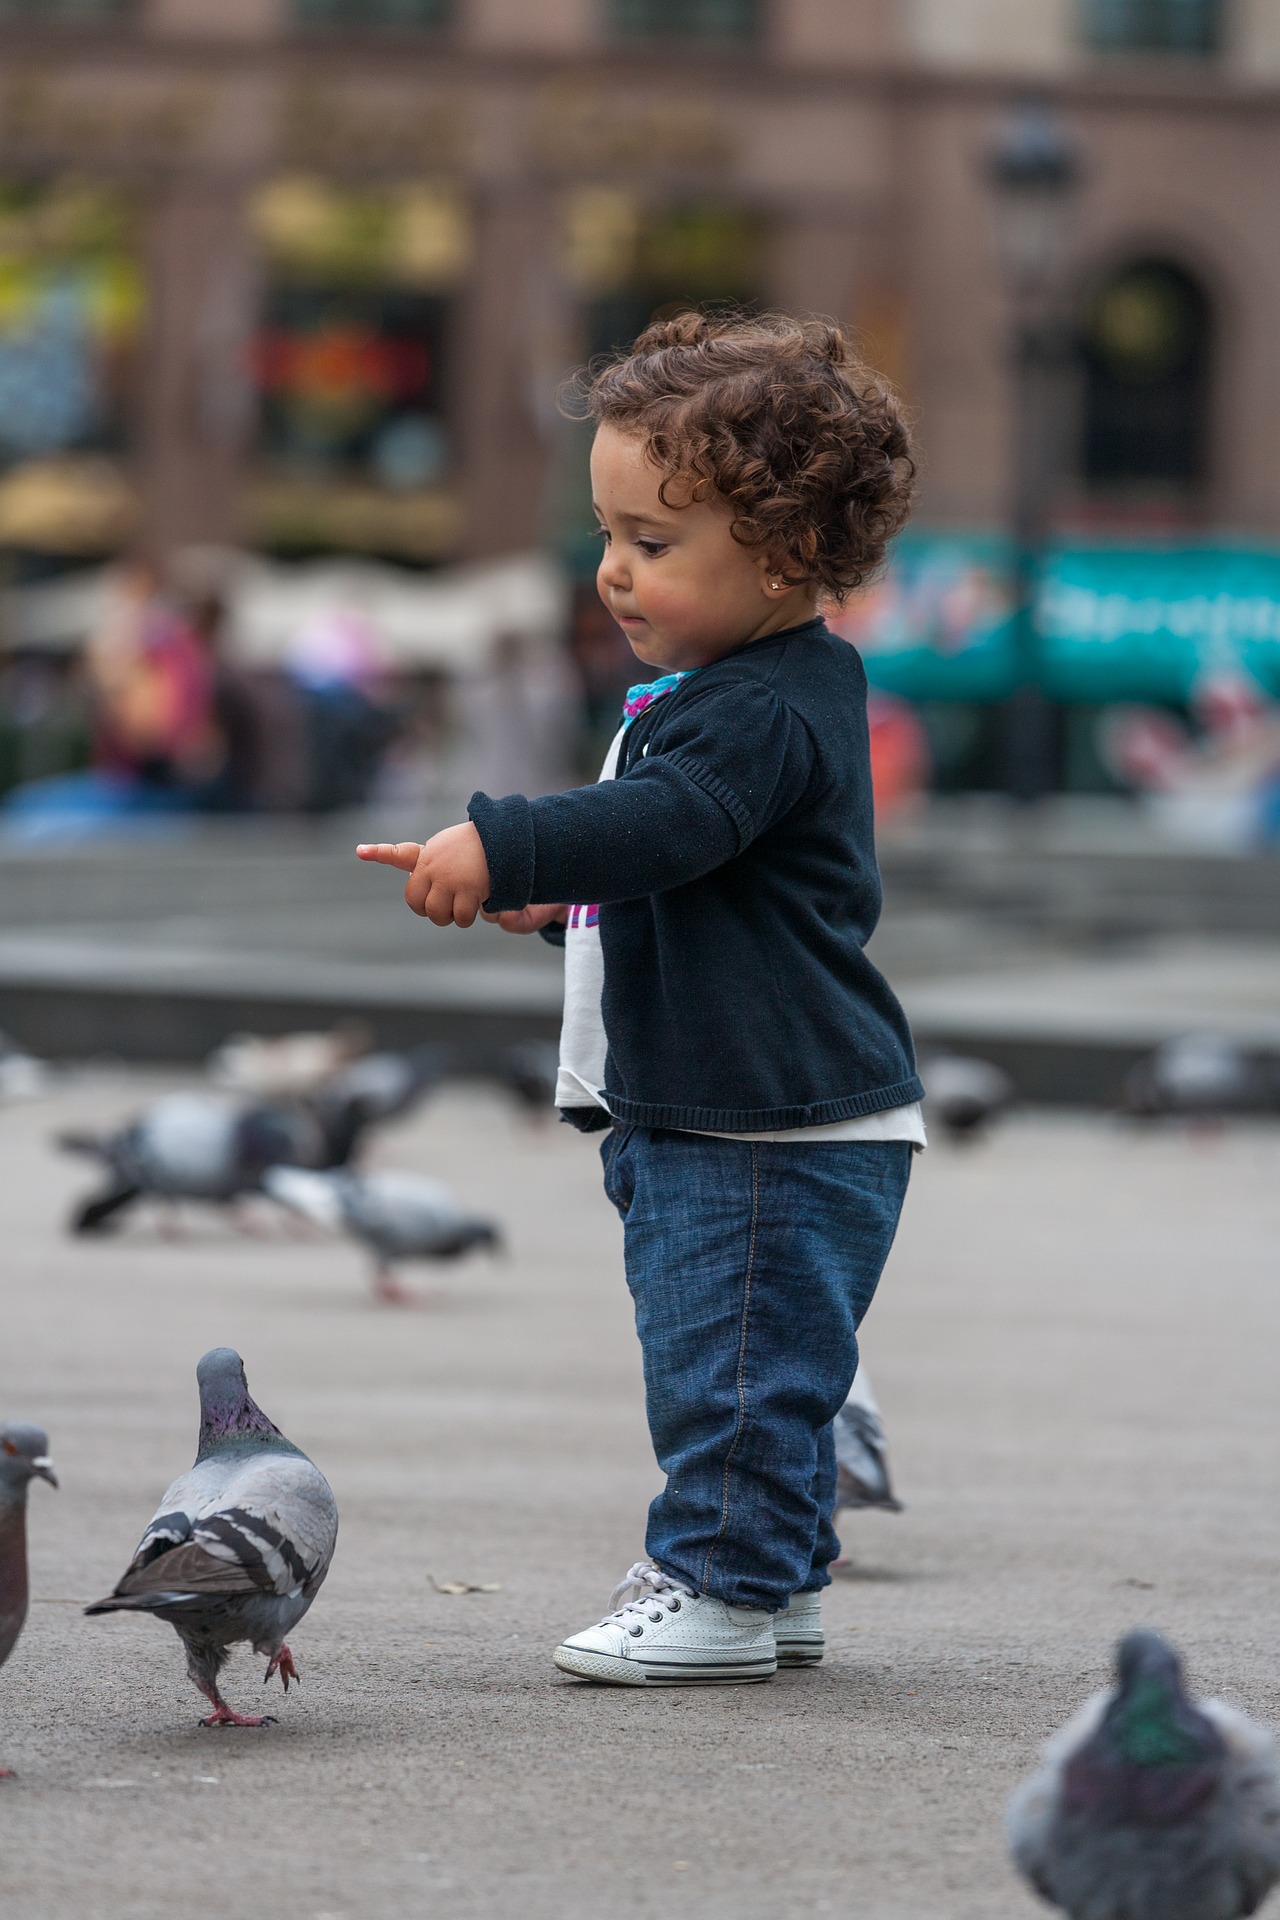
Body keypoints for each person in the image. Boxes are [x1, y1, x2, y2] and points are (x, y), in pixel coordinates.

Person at [358, 311, 923, 1686]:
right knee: (761, 1368)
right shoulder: (759, 690)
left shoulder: (750, 711)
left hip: (761, 1124)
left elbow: (671, 823)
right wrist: (570, 914)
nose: (613, 573)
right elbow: (703, 878)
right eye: (606, 536)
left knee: (724, 1373)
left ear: (789, 551)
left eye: (653, 546)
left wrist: (512, 841)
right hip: (770, 1106)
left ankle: (717, 1585)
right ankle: (776, 1580)